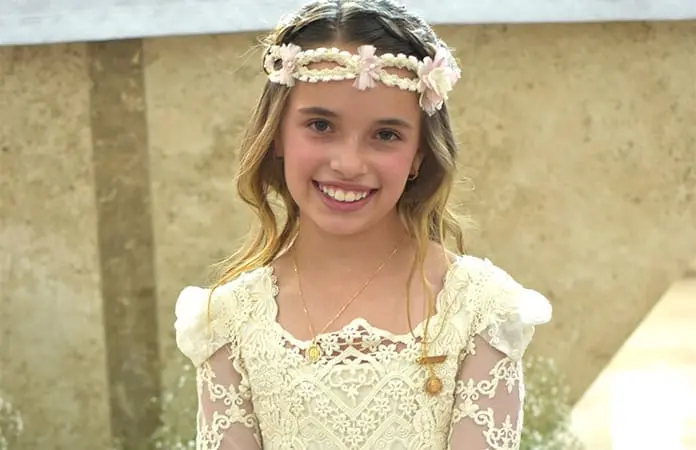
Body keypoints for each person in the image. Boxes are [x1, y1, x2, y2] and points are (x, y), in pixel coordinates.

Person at [174, 0, 552, 448]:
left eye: (385, 135)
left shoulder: (481, 311)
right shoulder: (228, 322)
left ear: (418, 155)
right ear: (277, 134)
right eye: (321, 125)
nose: (349, 164)